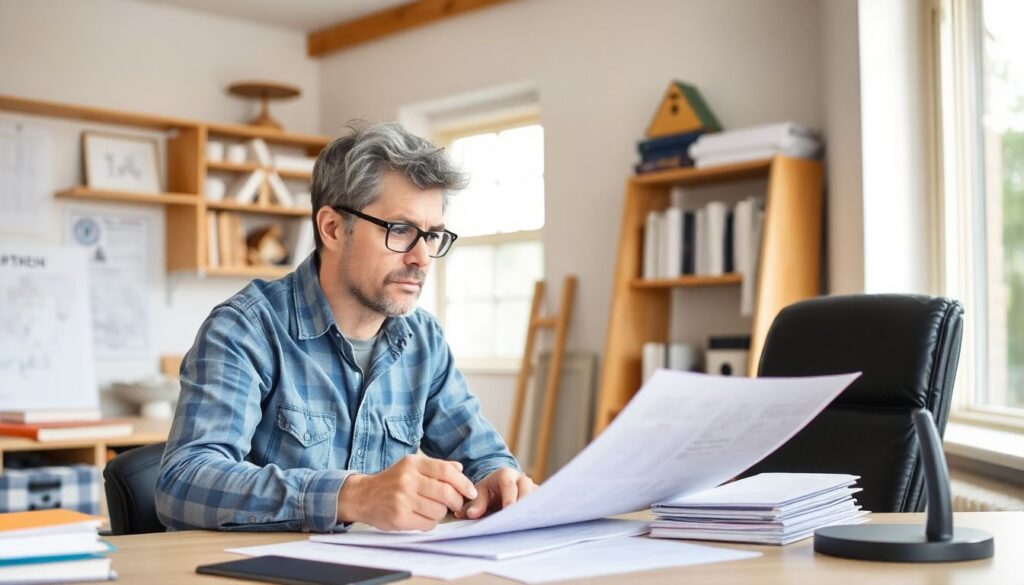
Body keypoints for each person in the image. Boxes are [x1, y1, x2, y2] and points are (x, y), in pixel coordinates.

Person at [156, 122, 535, 533]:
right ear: (333, 228)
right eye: (400, 230)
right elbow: (183, 482)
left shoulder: (424, 341)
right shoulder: (245, 328)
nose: (422, 258)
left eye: (433, 236)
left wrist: (498, 478)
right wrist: (353, 496)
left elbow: (483, 457)